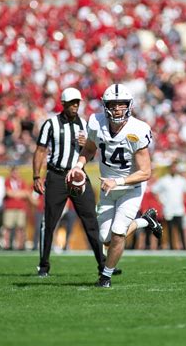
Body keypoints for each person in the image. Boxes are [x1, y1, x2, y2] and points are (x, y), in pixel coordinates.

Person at [67, 83, 162, 288]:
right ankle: (146, 221)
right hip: (107, 188)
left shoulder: (138, 129)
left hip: (130, 187)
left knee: (119, 232)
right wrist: (77, 166)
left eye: (122, 104)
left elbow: (145, 172)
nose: (118, 108)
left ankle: (105, 277)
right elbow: (89, 150)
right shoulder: (96, 123)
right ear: (105, 105)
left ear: (129, 105)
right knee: (106, 238)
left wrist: (117, 181)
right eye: (113, 104)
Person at [33, 87, 110, 278]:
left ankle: (104, 265)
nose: (76, 106)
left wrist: (86, 145)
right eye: (72, 103)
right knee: (49, 222)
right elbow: (41, 150)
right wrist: (36, 176)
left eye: (78, 102)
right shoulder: (50, 124)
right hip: (57, 175)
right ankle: (44, 265)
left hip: (78, 175)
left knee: (91, 219)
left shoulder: (84, 124)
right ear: (64, 104)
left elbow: (90, 154)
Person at [151, 160, 186, 250]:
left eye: (175, 168)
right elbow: (154, 190)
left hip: (179, 209)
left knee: (180, 229)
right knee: (169, 229)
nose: (174, 169)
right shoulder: (164, 180)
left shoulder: (181, 180)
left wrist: (184, 200)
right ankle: (172, 248)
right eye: (172, 168)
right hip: (168, 209)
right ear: (170, 169)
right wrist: (161, 201)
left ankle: (184, 248)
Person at [3, 165, 30, 250]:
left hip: (20, 208)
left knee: (20, 227)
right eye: (14, 172)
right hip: (10, 208)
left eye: (17, 172)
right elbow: (8, 193)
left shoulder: (22, 182)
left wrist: (14, 193)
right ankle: (7, 245)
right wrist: (19, 193)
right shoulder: (7, 181)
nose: (15, 174)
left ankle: (19, 245)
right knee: (7, 227)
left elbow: (26, 193)